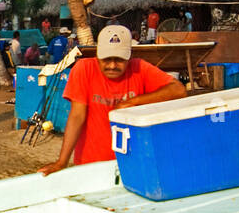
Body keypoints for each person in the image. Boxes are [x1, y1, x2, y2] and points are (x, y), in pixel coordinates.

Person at [39, 24, 186, 174]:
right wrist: (62, 161)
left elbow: (178, 90)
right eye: (107, 59)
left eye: (120, 60)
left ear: (129, 57)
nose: (112, 65)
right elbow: (77, 115)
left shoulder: (139, 68)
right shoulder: (83, 69)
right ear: (97, 55)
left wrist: (133, 102)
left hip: (133, 162)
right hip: (90, 163)